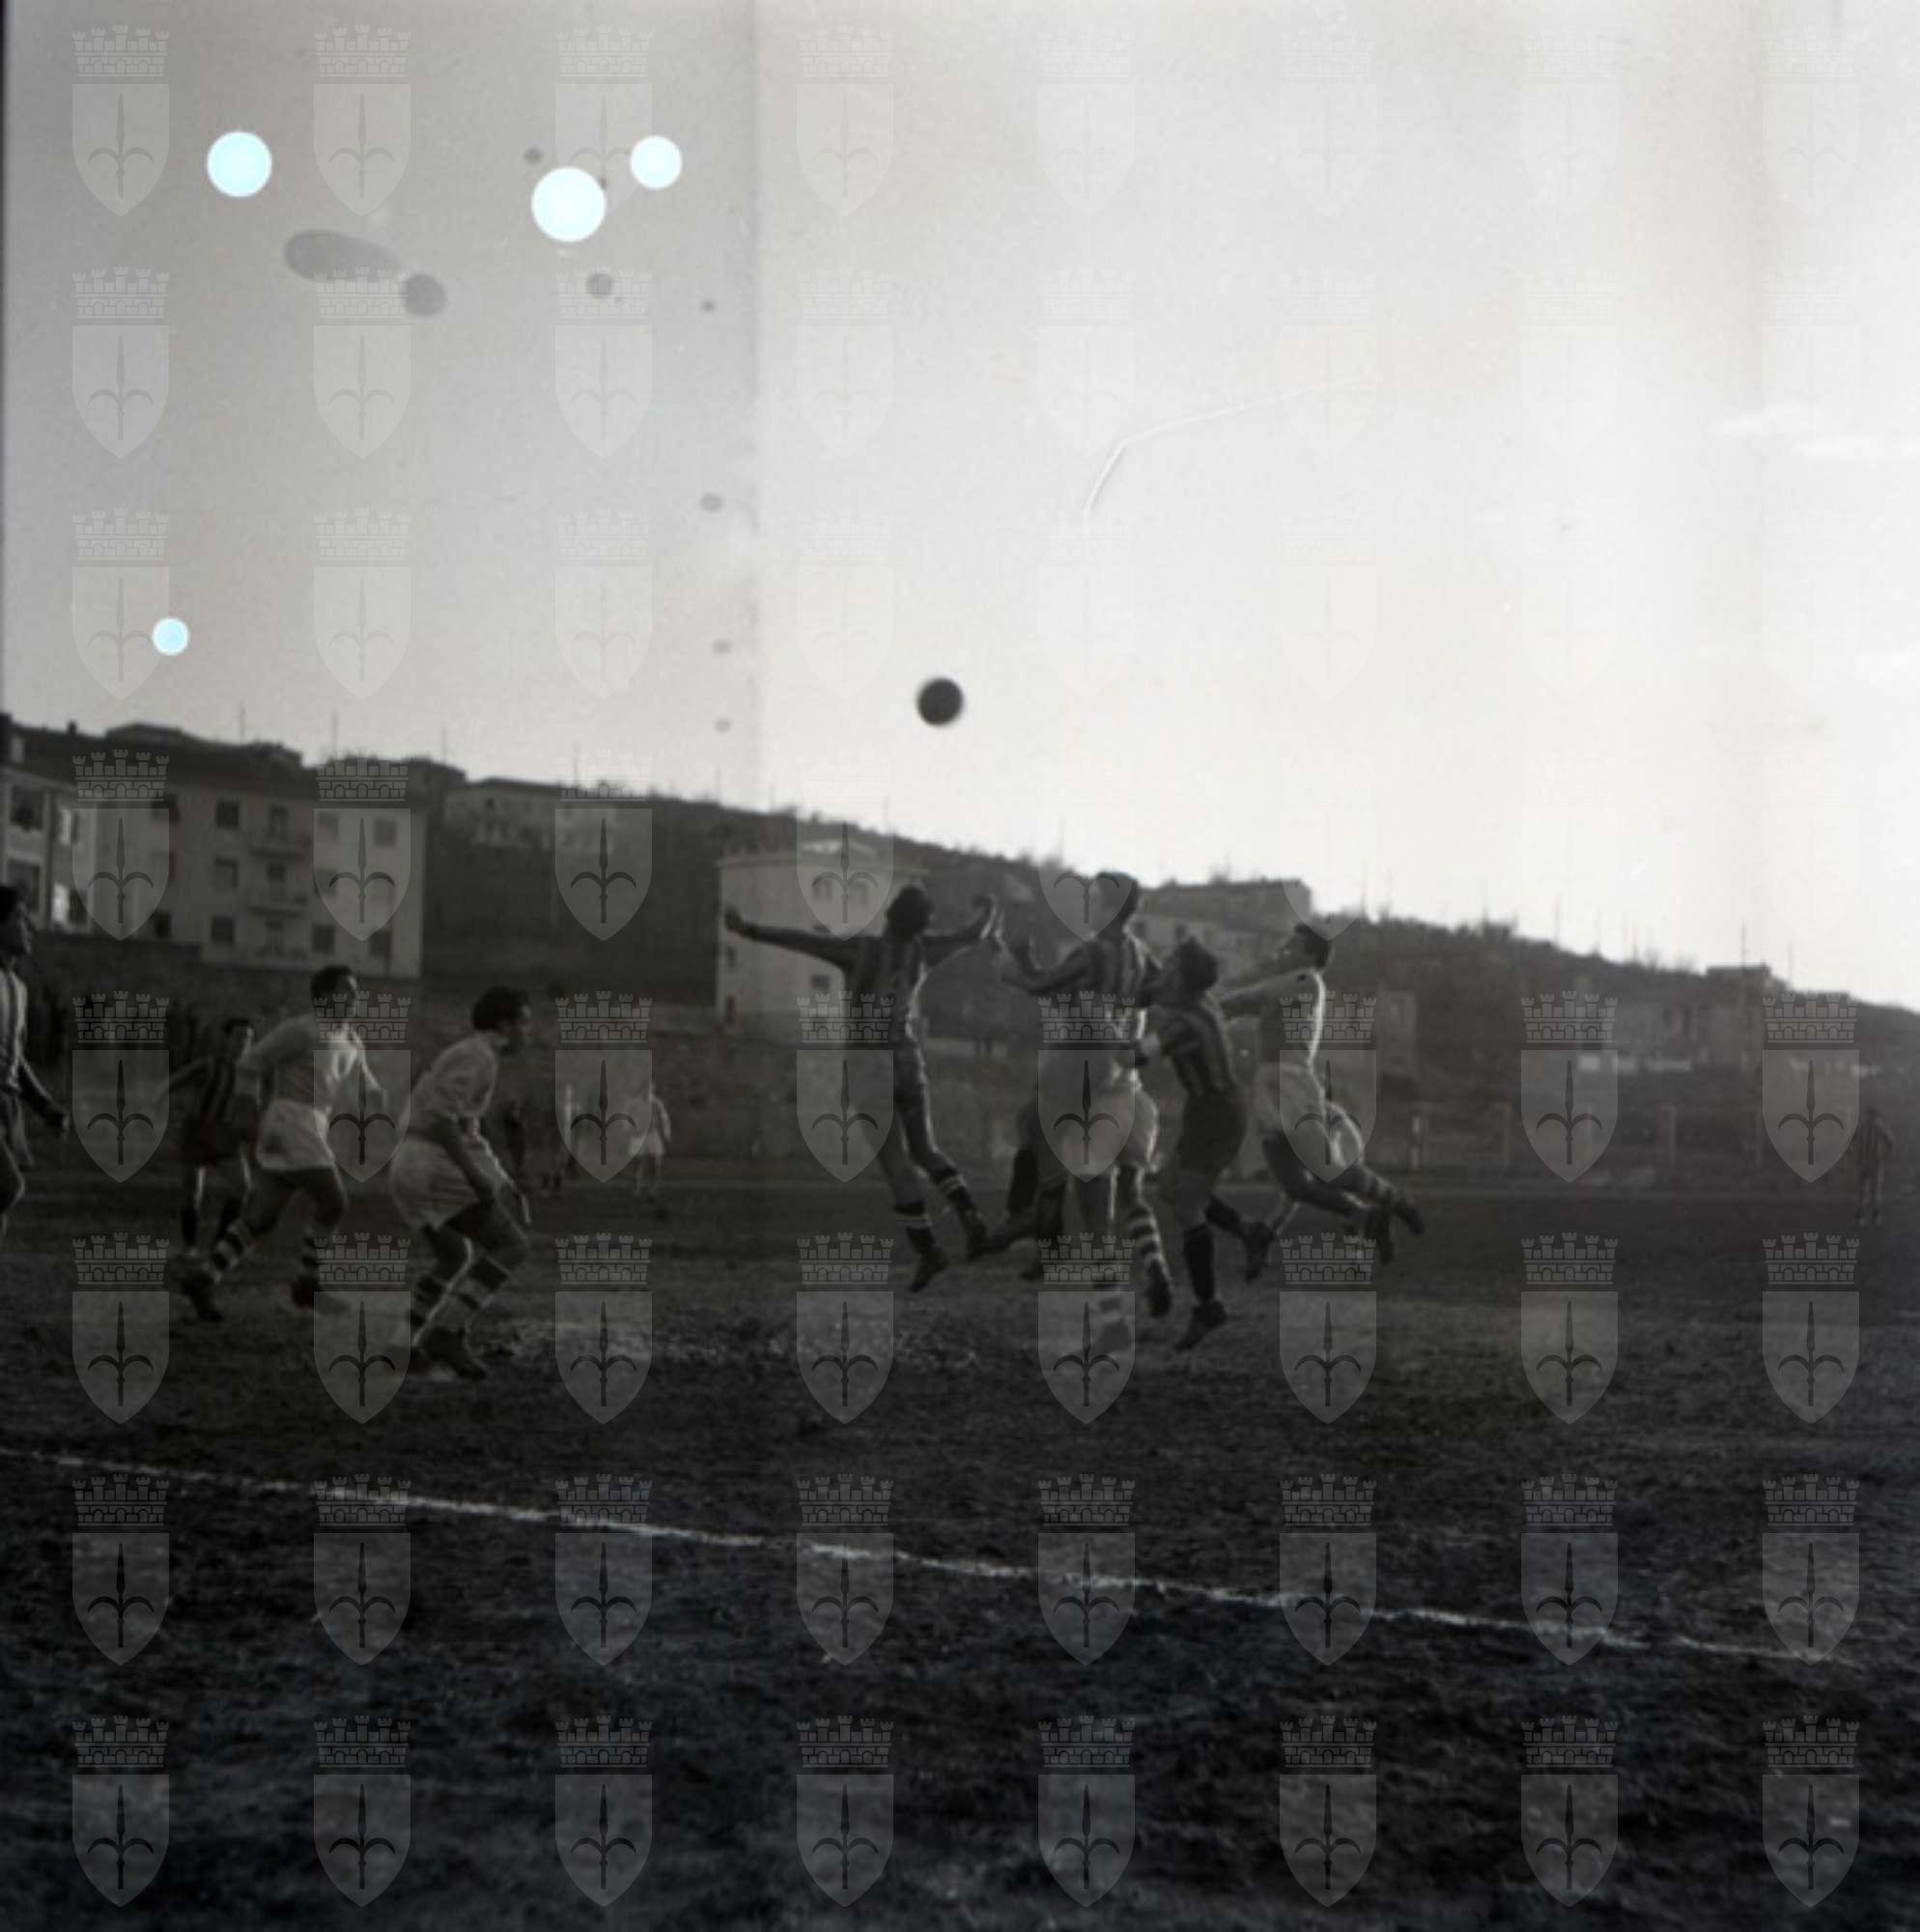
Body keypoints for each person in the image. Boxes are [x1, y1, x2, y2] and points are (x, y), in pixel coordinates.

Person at [724, 883, 999, 1289]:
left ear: (889, 915)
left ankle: (929, 1252)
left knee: (894, 1160)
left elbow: (802, 941)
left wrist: (748, 928)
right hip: (907, 1056)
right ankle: (970, 1216)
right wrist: (988, 908)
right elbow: (971, 935)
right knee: (925, 1148)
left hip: (870, 1060)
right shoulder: (923, 950)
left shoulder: (861, 950)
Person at [985, 876, 1172, 1302]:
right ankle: (1091, 1257)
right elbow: (1158, 992)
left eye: (1094, 899)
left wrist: (1012, 961)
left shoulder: (1092, 952)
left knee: (1037, 1130)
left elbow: (1041, 986)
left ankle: (1030, 1223)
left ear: (1111, 907)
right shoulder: (1139, 953)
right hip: (1118, 1071)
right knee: (1095, 1171)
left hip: (1079, 1060)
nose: (1087, 906)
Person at [1206, 925, 1420, 1277]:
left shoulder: (1306, 981)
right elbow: (1243, 1007)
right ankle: (1365, 1215)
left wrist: (1208, 1004)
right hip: (1267, 1081)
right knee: (1293, 1184)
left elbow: (1249, 999)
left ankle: (1397, 1200)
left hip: (1292, 1079)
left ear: (1308, 954)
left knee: (1327, 1170)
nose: (1283, 949)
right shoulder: (1286, 983)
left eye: (1291, 945)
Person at [174, 965, 380, 1321]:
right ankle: (308, 1283)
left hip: (311, 1125)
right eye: (345, 992)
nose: (353, 999)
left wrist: (394, 1108)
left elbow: (365, 1087)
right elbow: (251, 1062)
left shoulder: (352, 1041)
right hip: (290, 1121)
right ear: (324, 997)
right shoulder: (301, 1029)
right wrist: (247, 1110)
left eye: (355, 992)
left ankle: (204, 1278)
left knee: (262, 1217)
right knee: (333, 1202)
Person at [388, 985, 534, 1380]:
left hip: (410, 1164)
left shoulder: (474, 1054)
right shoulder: (477, 1056)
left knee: (453, 1255)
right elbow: (442, 1121)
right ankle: (448, 1333)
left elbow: (467, 1129)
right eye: (524, 1023)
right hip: (431, 1163)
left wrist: (501, 1180)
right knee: (512, 1246)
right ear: (504, 1024)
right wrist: (474, 1176)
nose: (528, 1032)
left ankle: (402, 1344)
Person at [1131, 935, 1248, 1351]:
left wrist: (1092, 1028)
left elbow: (1134, 1056)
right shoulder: (1196, 1001)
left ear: (1182, 977)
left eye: (1171, 965)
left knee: (1186, 1205)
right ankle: (1248, 1231)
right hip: (1207, 1109)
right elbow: (1154, 988)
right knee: (1168, 1189)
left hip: (1217, 1113)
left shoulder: (1183, 1024)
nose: (1163, 969)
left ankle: (1208, 1305)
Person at [0, 886, 69, 1245]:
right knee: (7, 1186)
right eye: (19, 917)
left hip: (7, 1105)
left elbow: (16, 1056)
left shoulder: (19, 988)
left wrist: (44, 1105)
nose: (29, 927)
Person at [165, 1017, 257, 1262]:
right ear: (227, 1039)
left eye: (248, 1038)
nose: (243, 1042)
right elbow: (174, 1082)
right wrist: (158, 1100)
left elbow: (253, 1105)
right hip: (197, 1132)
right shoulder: (209, 1064)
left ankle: (219, 1244)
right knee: (192, 1191)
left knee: (243, 1187)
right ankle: (190, 1246)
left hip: (226, 1136)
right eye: (238, 1036)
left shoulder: (251, 1073)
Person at [632, 1083, 671, 1216]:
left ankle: (653, 1191)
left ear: (652, 1089)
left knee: (656, 1163)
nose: (647, 1091)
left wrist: (666, 1134)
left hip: (653, 1135)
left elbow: (664, 1119)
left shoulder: (657, 1103)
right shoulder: (636, 1104)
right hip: (640, 1135)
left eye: (649, 1089)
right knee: (640, 1162)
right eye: (645, 1089)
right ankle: (638, 1188)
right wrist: (631, 1130)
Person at [1858, 1103, 1896, 1227]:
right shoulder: (1863, 1127)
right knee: (1864, 1190)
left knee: (1876, 1191)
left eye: (1871, 1116)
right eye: (1868, 1116)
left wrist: (1885, 1156)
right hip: (1865, 1162)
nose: (1869, 1118)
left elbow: (1890, 1142)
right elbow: (1853, 1140)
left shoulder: (1880, 1128)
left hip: (1876, 1163)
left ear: (1874, 1116)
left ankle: (1876, 1215)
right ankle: (1863, 1215)